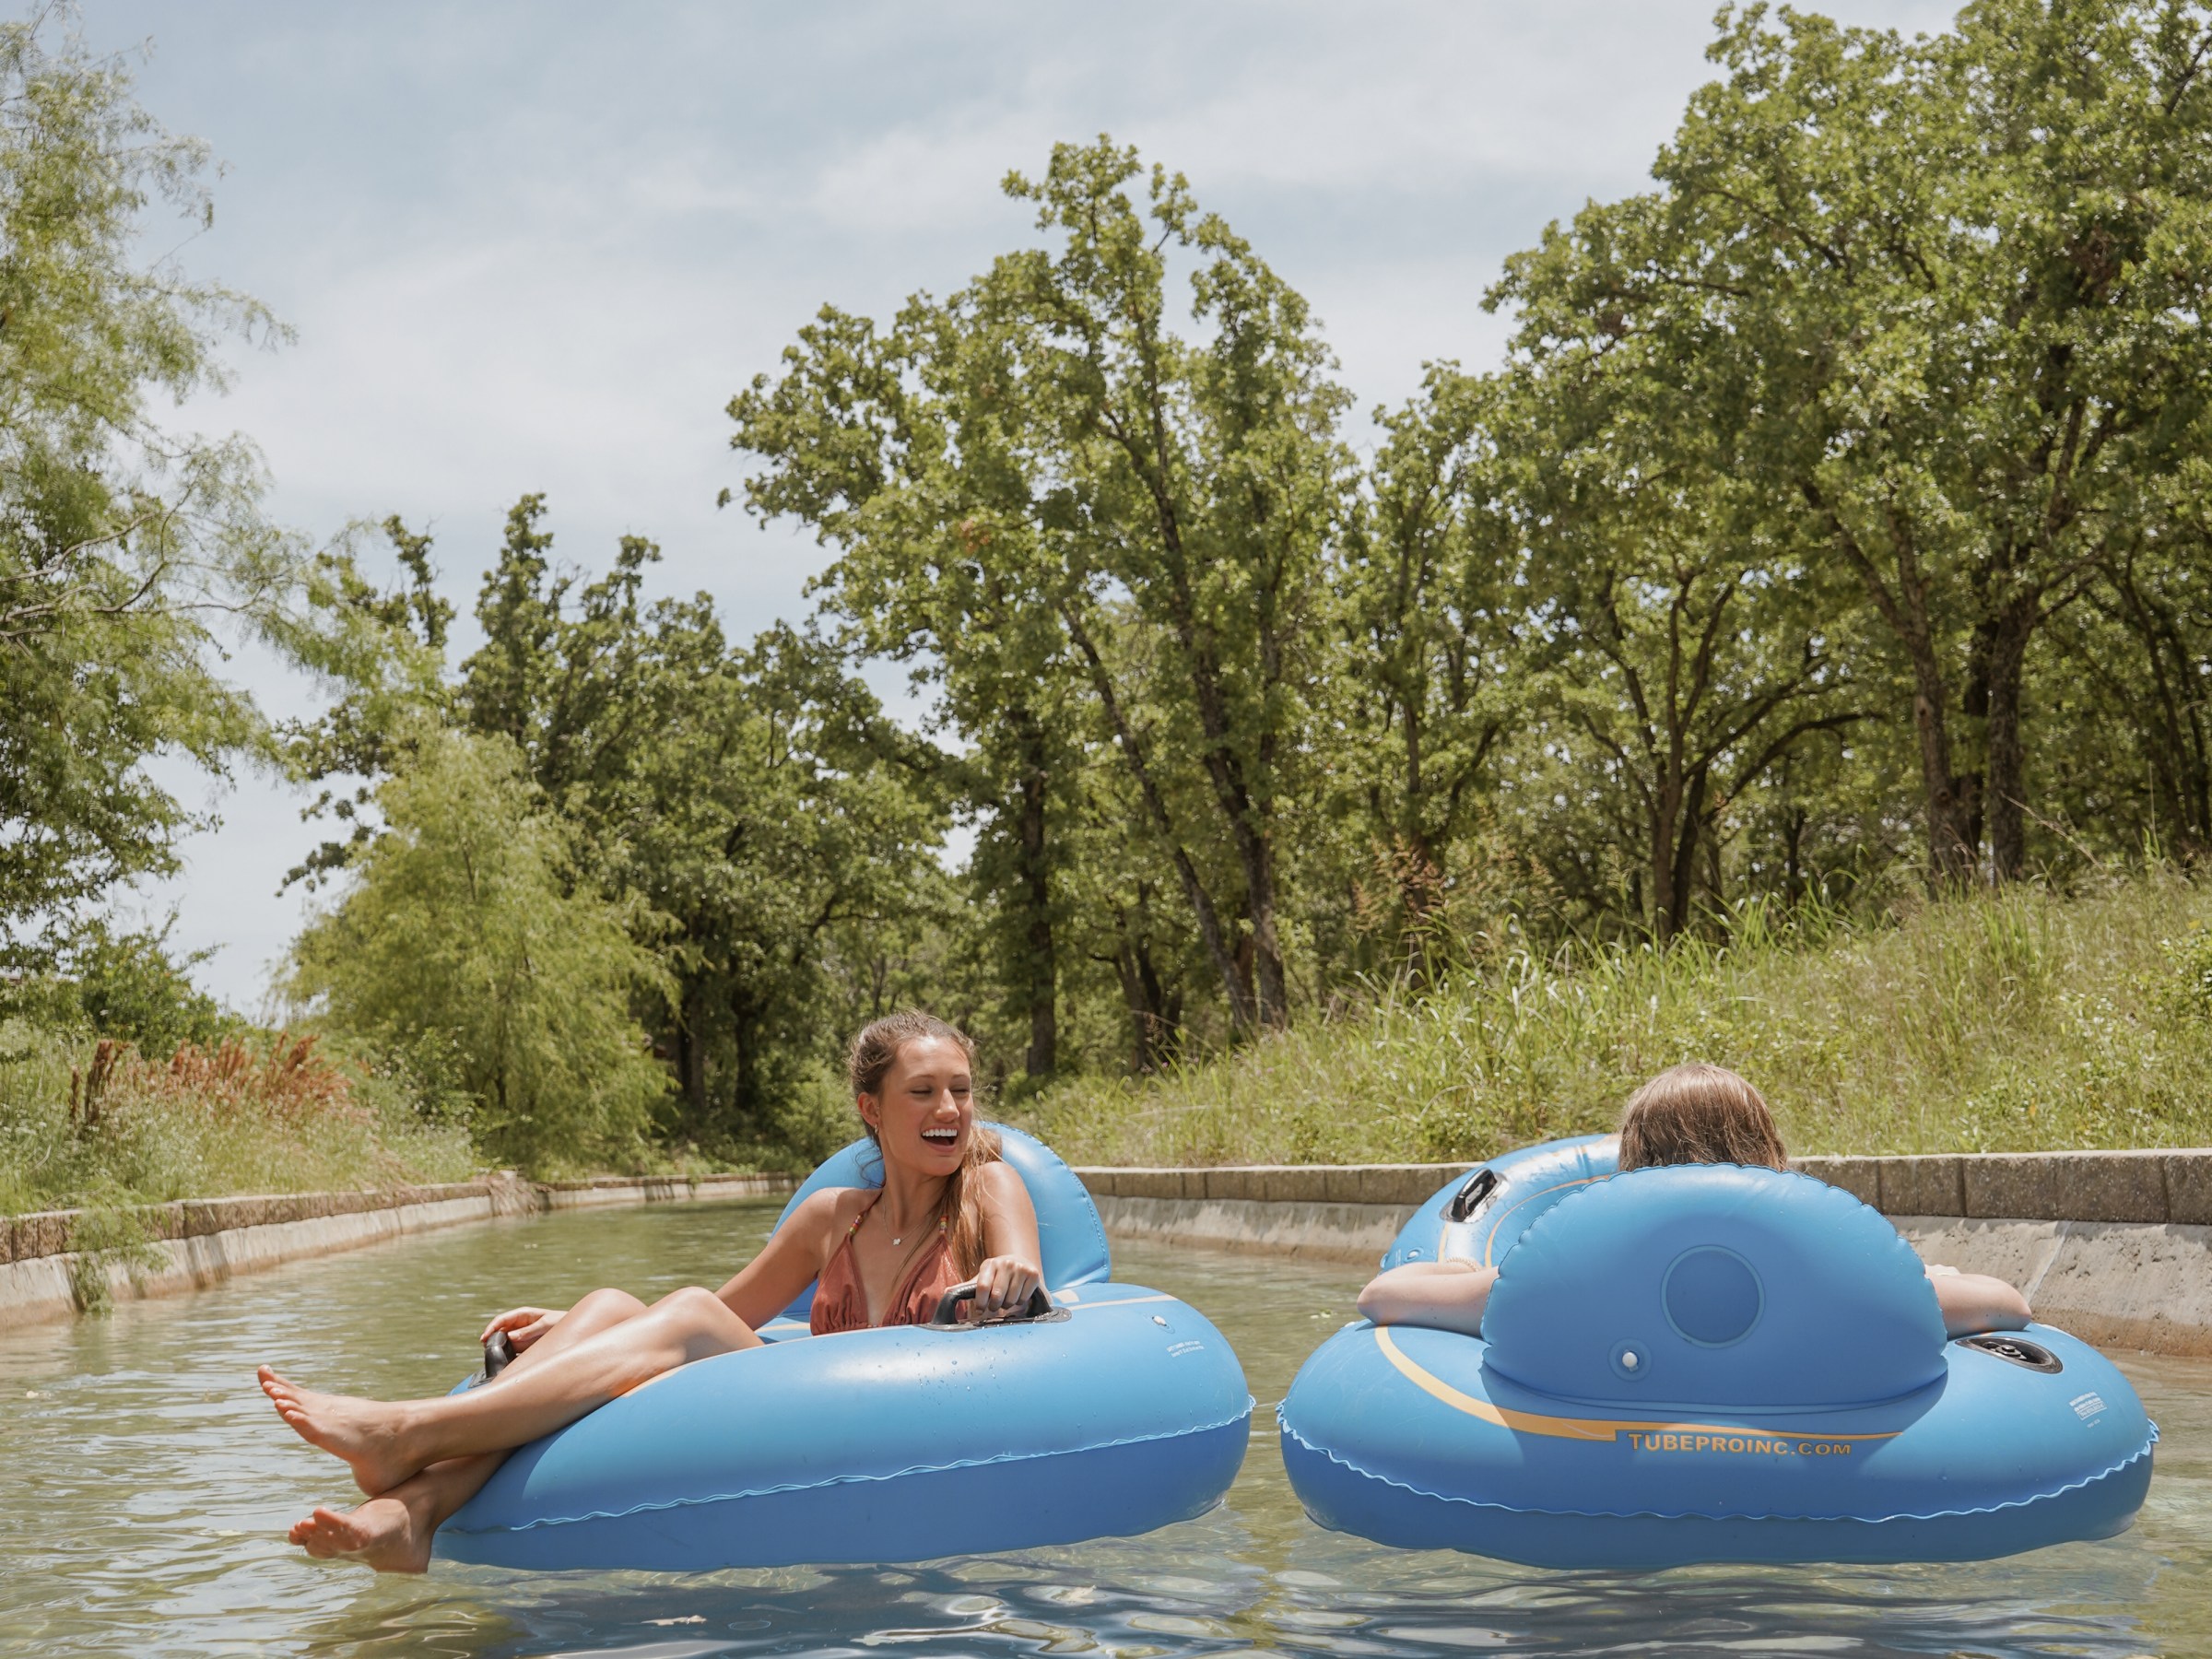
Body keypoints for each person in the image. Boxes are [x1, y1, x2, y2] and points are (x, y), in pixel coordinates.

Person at [258, 1010, 1042, 1573]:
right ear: (871, 1110)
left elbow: (1023, 1271)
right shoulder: (831, 1217)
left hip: (911, 1427)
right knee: (608, 1306)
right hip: (806, 1415)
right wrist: (583, 1326)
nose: (950, 1110)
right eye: (924, 1092)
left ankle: (413, 1431)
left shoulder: (989, 1188)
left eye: (961, 1090)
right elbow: (727, 1317)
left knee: (683, 1311)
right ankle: (411, 1513)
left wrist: (1011, 1273)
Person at [1356, 1062, 2032, 1339]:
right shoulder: (1830, 1275)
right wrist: (1931, 1279)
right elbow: (2009, 1306)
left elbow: (1382, 1298)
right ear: (1768, 1155)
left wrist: (1461, 1273)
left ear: (1632, 1163)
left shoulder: (1577, 1275)